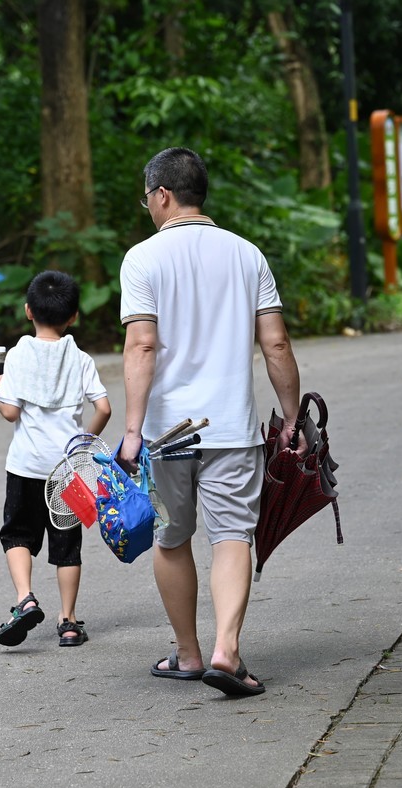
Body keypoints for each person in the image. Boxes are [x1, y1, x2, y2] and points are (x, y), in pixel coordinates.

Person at [116, 147, 302, 697]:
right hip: (232, 430)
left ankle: (190, 655)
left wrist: (131, 432)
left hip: (168, 434)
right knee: (232, 536)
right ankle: (228, 650)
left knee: (171, 540)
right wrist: (291, 416)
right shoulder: (248, 255)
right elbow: (276, 341)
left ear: (162, 195)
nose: (148, 207)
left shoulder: (142, 259)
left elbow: (141, 344)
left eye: (147, 197)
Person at [0, 270, 112, 648]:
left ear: (28, 311)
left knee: (17, 534)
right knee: (66, 546)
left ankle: (25, 599)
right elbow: (104, 408)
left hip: (25, 465)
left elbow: (10, 412)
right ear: (73, 316)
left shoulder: (19, 353)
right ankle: (69, 622)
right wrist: (83, 443)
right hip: (67, 470)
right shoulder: (80, 358)